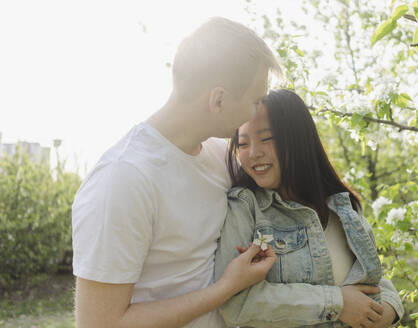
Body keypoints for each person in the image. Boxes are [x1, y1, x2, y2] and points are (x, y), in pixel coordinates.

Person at [71, 17, 281, 328]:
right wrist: (226, 288)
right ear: (219, 99)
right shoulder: (123, 179)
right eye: (254, 102)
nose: (255, 113)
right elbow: (101, 323)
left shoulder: (217, 155)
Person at [215, 89, 404, 328]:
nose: (253, 153)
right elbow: (236, 304)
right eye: (242, 143)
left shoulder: (343, 206)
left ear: (297, 138)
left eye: (266, 138)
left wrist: (389, 309)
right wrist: (336, 303)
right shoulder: (245, 208)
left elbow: (374, 279)